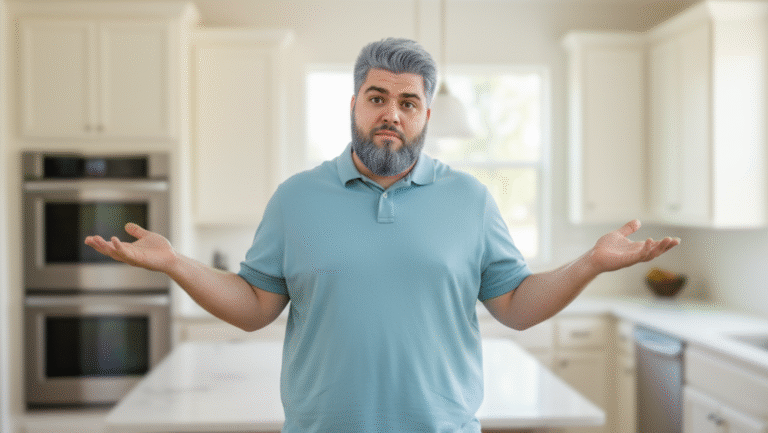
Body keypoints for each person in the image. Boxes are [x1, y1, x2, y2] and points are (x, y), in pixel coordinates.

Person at [85, 38, 679, 433]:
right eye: (377, 98)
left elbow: (517, 308)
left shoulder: (469, 200)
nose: (391, 113)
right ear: (354, 105)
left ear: (426, 113)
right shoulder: (296, 198)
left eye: (408, 101)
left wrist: (588, 266)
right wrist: (177, 265)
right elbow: (255, 308)